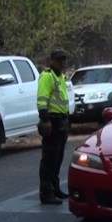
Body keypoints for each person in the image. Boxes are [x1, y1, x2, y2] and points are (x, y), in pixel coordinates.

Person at [37, 49, 70, 204]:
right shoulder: (47, 76)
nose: (62, 62)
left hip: (62, 121)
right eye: (59, 59)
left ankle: (55, 189)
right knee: (49, 159)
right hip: (52, 121)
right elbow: (42, 100)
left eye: (64, 59)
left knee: (58, 158)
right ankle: (46, 192)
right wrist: (45, 120)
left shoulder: (61, 77)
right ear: (52, 60)